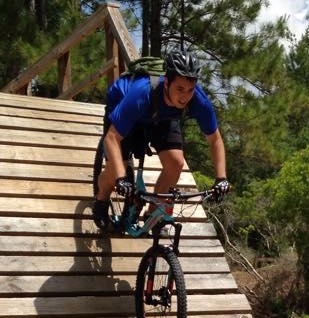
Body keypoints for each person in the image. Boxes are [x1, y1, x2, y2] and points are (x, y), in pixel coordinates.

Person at [93, 49, 230, 230]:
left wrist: (221, 178)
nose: (185, 96)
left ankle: (153, 215)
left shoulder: (197, 99)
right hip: (126, 108)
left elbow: (215, 140)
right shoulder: (142, 92)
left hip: (161, 117)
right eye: (179, 88)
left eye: (190, 90)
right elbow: (111, 138)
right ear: (166, 83)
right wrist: (120, 179)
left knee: (176, 163)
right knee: (117, 168)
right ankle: (100, 202)